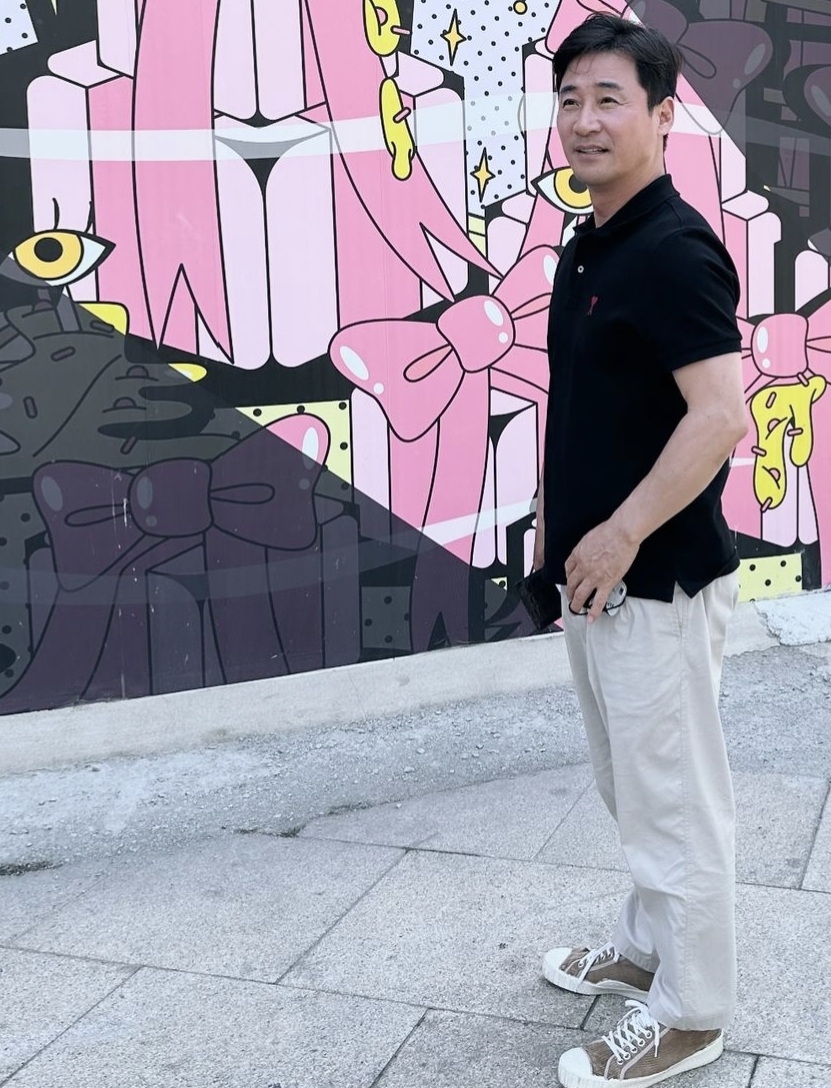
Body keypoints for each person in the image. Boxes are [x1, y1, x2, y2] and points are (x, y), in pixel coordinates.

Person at [533, 13, 749, 1087]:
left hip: (652, 581)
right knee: (633, 788)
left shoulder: (671, 250)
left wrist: (620, 533)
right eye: (569, 99)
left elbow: (720, 416)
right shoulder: (594, 238)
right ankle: (646, 946)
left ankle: (693, 1011)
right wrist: (562, 536)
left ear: (663, 117)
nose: (584, 120)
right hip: (599, 579)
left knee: (673, 802)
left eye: (608, 99)